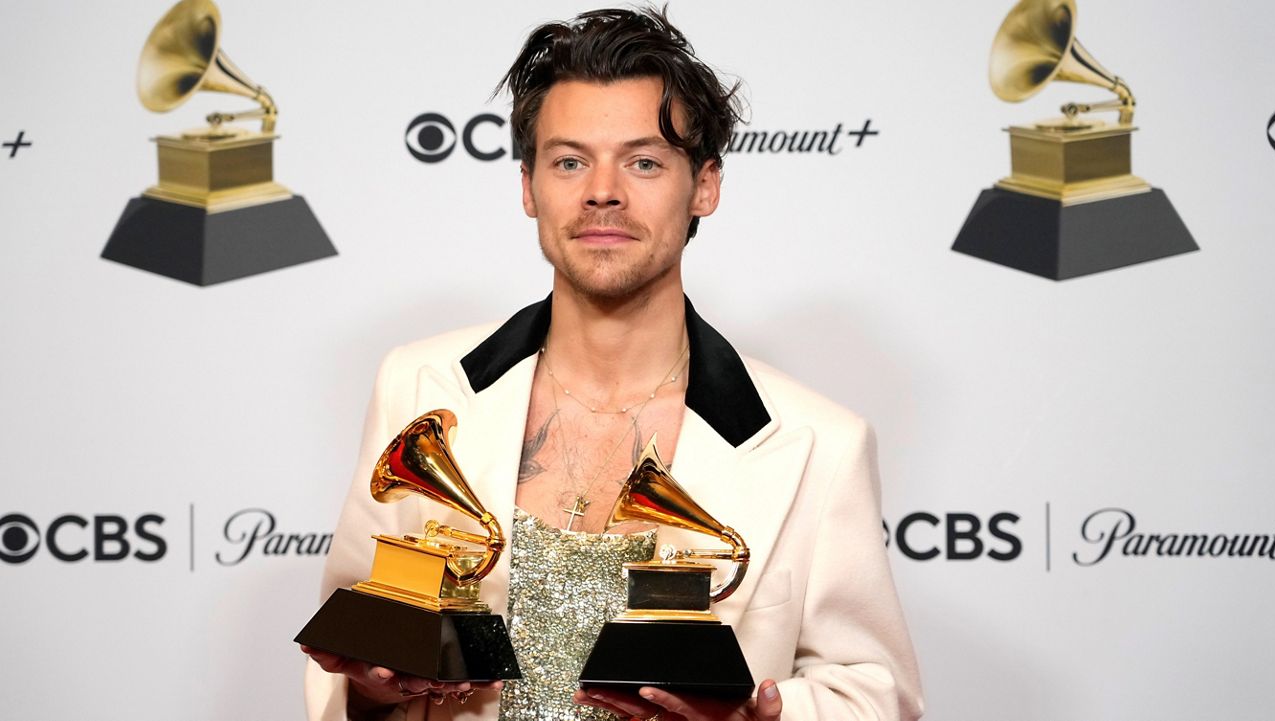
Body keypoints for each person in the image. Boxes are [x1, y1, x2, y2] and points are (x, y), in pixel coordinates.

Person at [303, 7, 923, 721]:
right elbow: (346, 640)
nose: (603, 191)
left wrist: (765, 715)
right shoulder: (416, 384)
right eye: (569, 160)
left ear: (706, 186)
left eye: (644, 161)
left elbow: (878, 693)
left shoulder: (820, 442)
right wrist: (369, 688)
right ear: (529, 186)